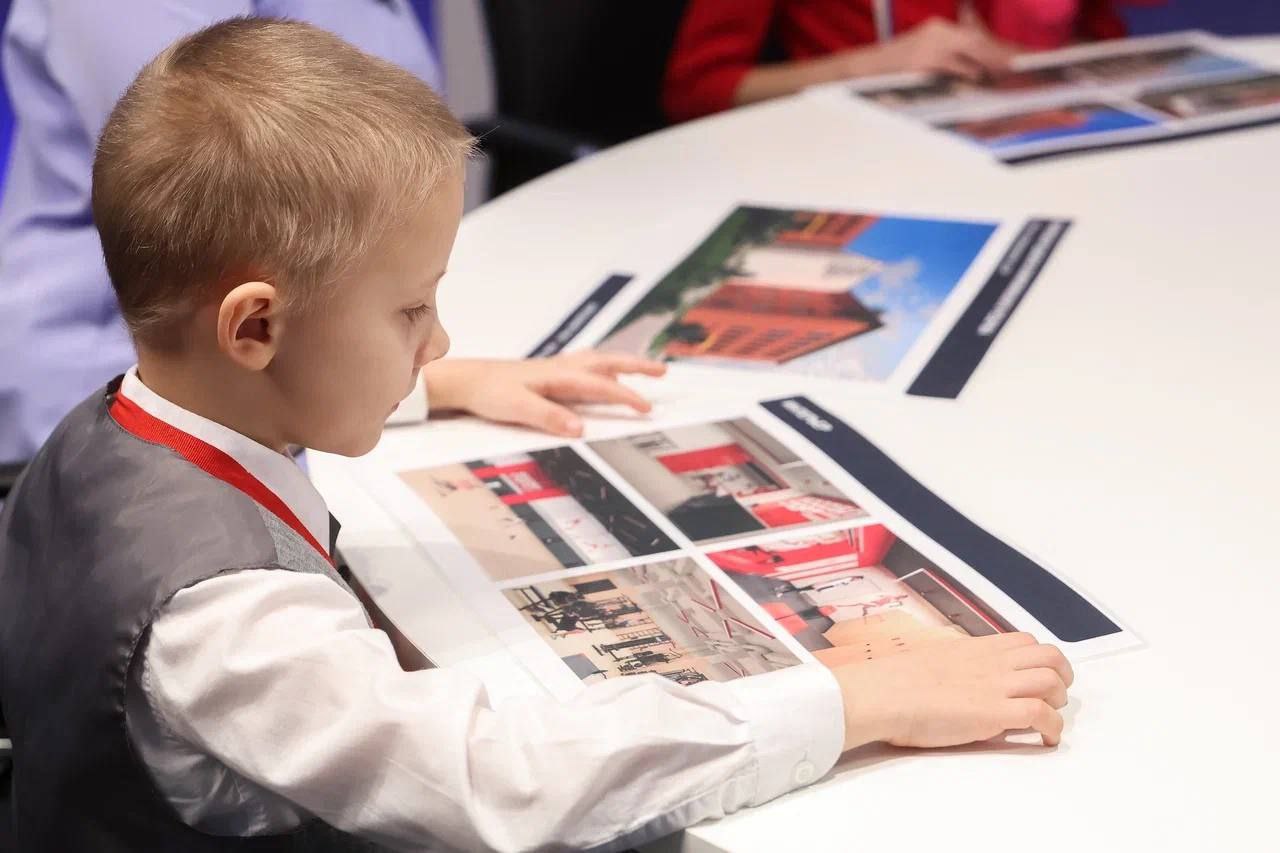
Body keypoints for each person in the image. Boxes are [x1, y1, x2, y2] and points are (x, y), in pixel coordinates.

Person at [0, 19, 1074, 851]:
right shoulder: (229, 621)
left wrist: (438, 382)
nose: (437, 336)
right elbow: (492, 782)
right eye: (409, 311)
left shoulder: (106, 430)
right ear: (256, 328)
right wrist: (849, 702)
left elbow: (257, 390)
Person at [0, 0, 658, 466]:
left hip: (301, 354)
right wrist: (422, 376)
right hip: (129, 389)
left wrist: (423, 362)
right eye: (417, 311)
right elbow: (230, 201)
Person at [663, 0, 1129, 121]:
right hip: (862, 151)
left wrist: (1034, 58)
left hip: (1029, 133)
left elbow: (1110, 47)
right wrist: (867, 66)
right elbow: (695, 90)